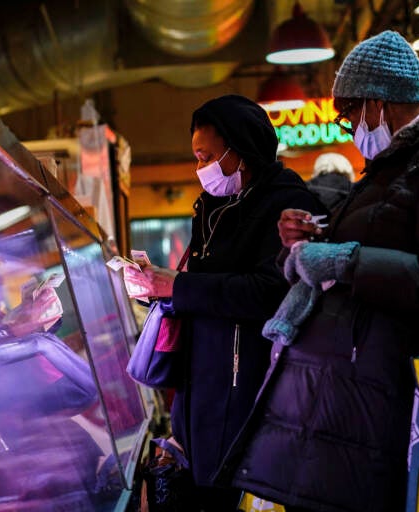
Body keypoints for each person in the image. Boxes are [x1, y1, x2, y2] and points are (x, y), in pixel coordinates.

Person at [217, 30, 419, 511]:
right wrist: (310, 240)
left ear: (378, 103)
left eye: (350, 118)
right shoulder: (391, 166)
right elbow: (376, 242)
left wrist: (346, 261)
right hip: (351, 389)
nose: (351, 132)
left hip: (386, 390)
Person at [123, 94, 323, 511]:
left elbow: (270, 291)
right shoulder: (213, 210)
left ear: (242, 151)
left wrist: (178, 287)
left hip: (254, 400)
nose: (201, 168)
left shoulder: (288, 205)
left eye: (207, 155)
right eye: (196, 157)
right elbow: (204, 290)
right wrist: (159, 289)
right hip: (205, 400)